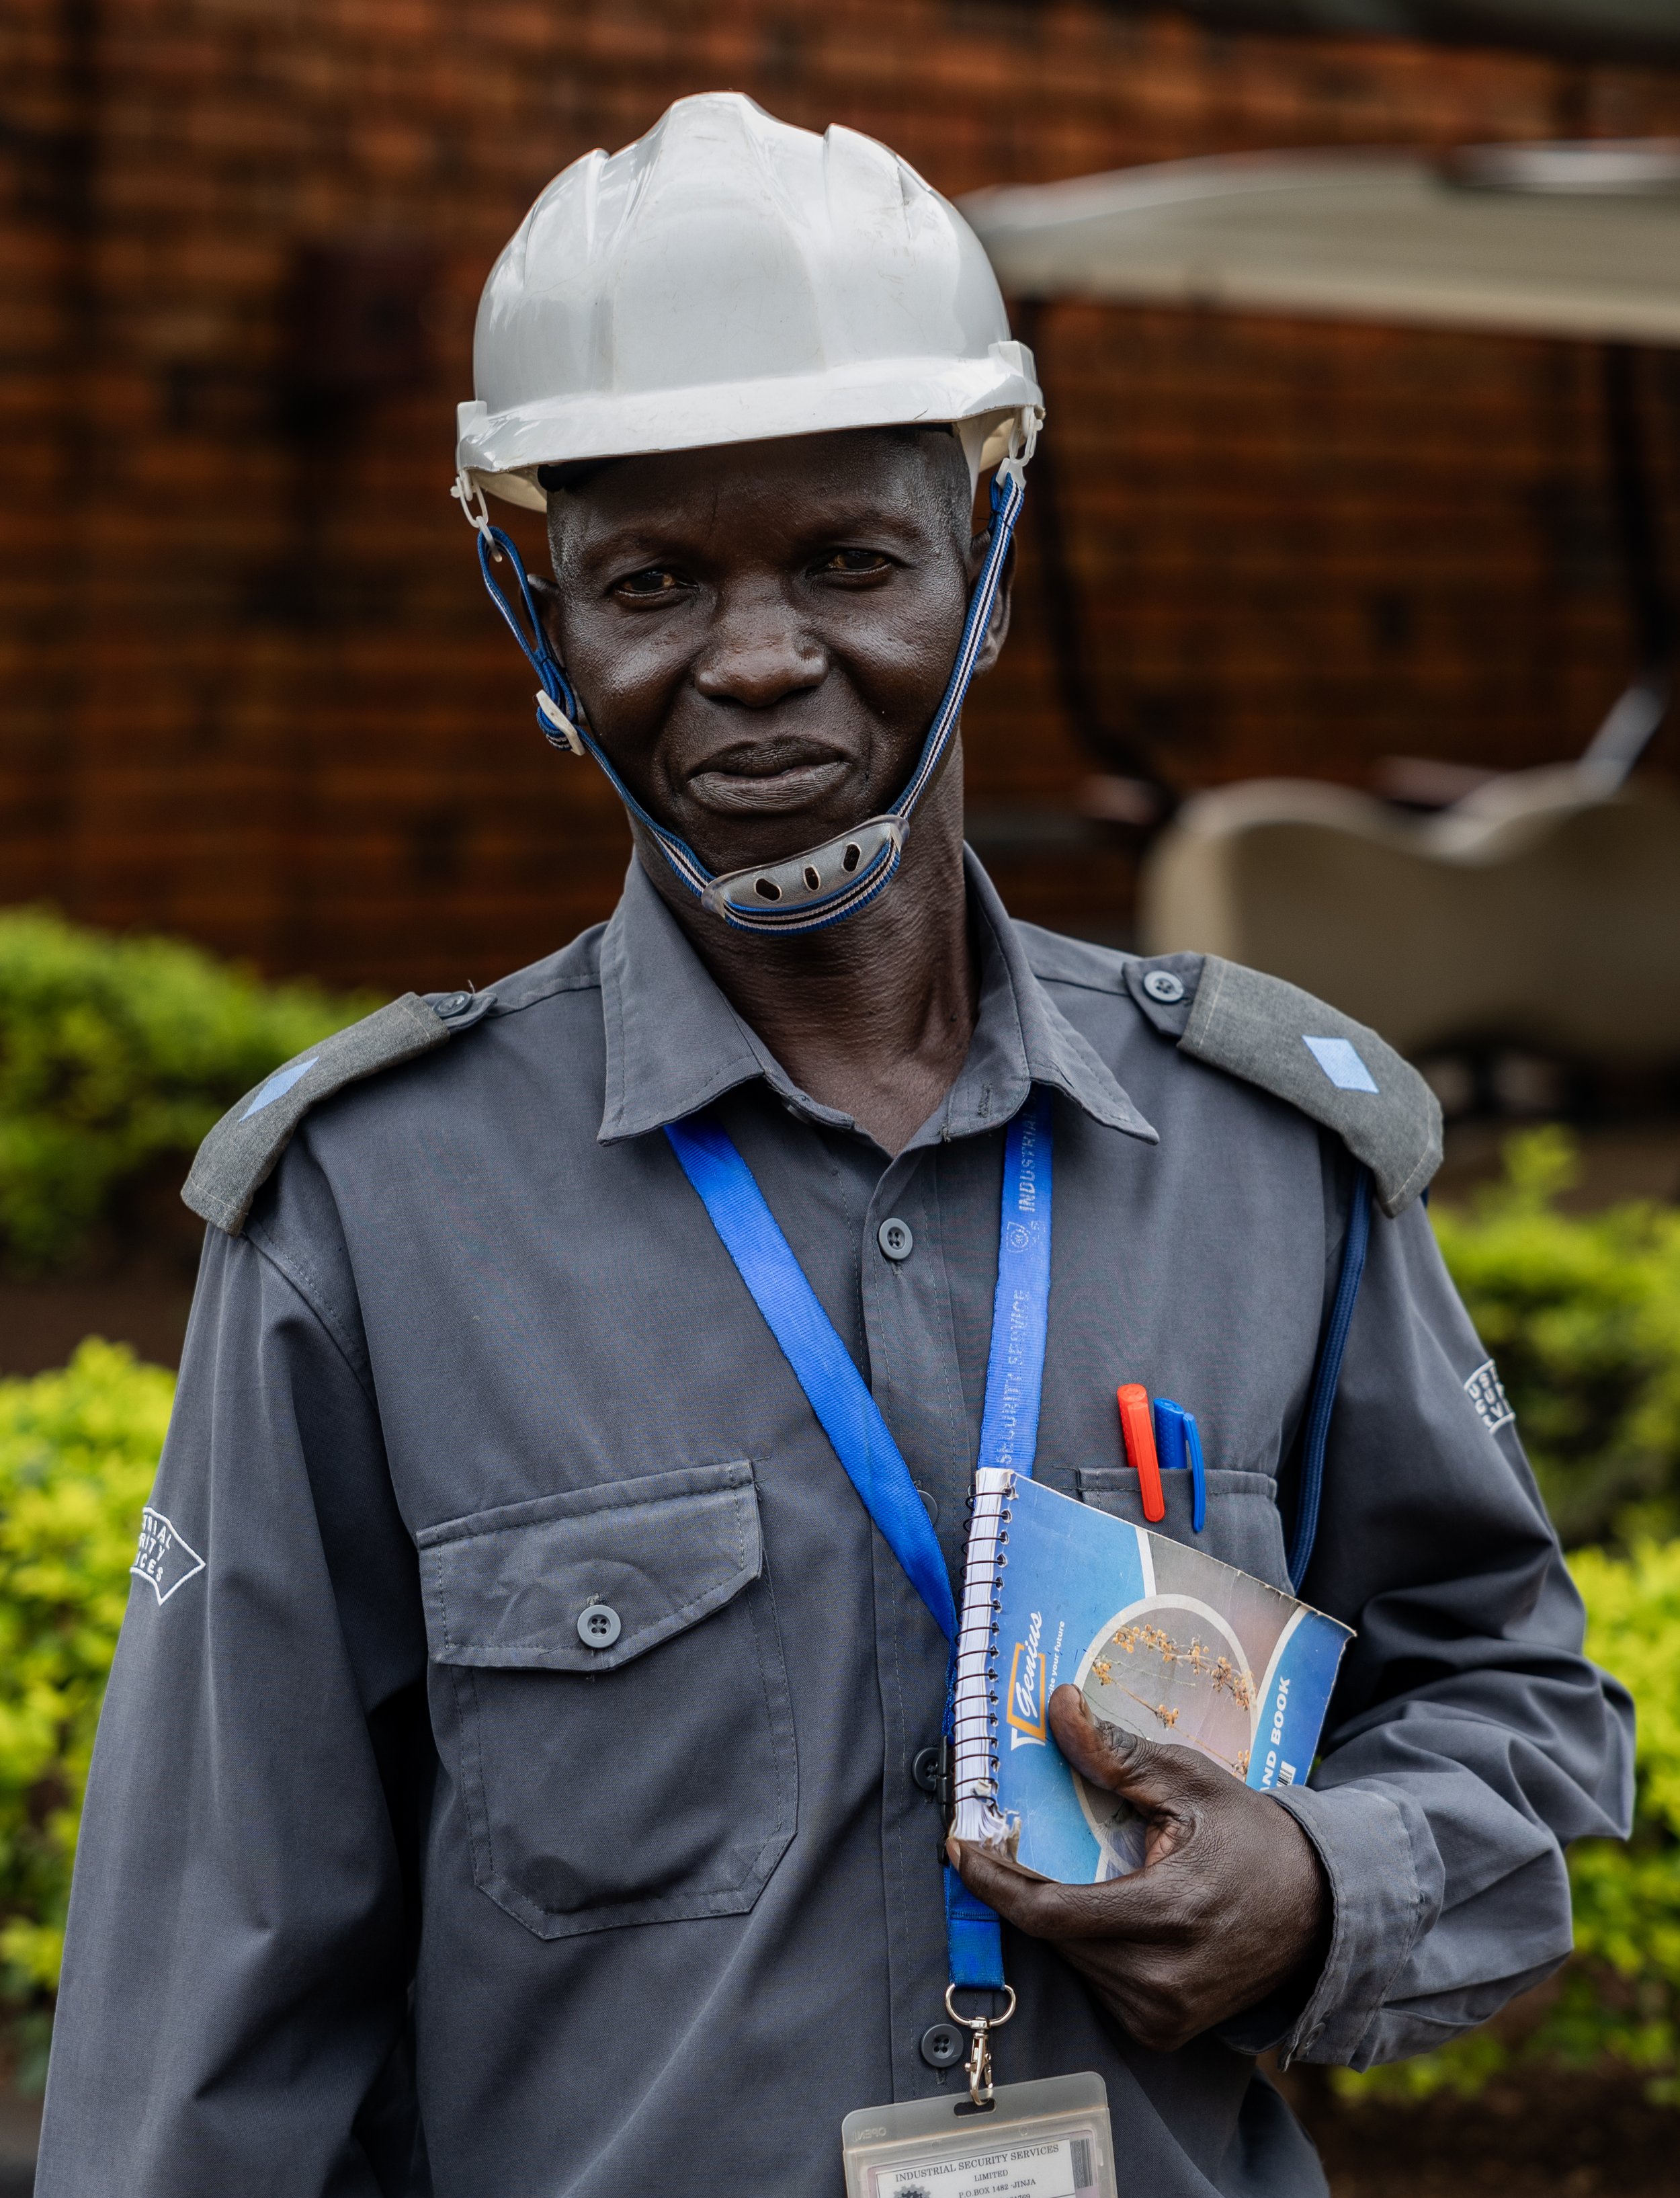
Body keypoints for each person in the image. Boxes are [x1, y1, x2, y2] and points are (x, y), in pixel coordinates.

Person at [36, 93, 1631, 2198]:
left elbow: (1511, 1704)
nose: (760, 660)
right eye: (652, 579)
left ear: (982, 557)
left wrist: (1324, 1883)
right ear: (546, 620)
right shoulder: (368, 1220)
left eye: (851, 560)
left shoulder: (1269, 1162)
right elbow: (213, 1995)